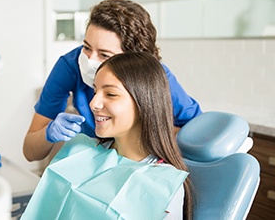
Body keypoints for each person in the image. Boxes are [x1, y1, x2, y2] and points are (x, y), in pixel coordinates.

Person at [23, 0, 202, 162]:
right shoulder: (70, 66)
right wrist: (49, 133)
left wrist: (150, 130)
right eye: (86, 47)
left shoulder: (156, 78)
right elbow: (30, 152)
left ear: (134, 63)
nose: (90, 60)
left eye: (104, 54)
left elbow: (199, 140)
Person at [21, 52, 192, 220]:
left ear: (144, 103)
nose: (93, 103)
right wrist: (48, 133)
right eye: (95, 91)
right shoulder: (79, 151)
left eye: (110, 94)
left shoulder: (163, 184)